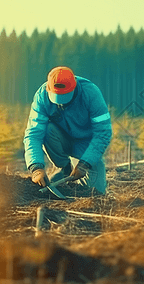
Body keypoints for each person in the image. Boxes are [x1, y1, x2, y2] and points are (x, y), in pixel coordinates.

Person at [23, 66, 112, 194]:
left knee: (96, 193)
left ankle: (79, 167)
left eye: (65, 97)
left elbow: (103, 132)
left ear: (74, 87)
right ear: (48, 88)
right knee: (47, 130)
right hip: (59, 138)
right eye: (57, 98)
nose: (61, 103)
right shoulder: (42, 96)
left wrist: (85, 163)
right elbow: (33, 134)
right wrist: (36, 167)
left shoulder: (91, 93)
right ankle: (64, 168)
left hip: (85, 145)